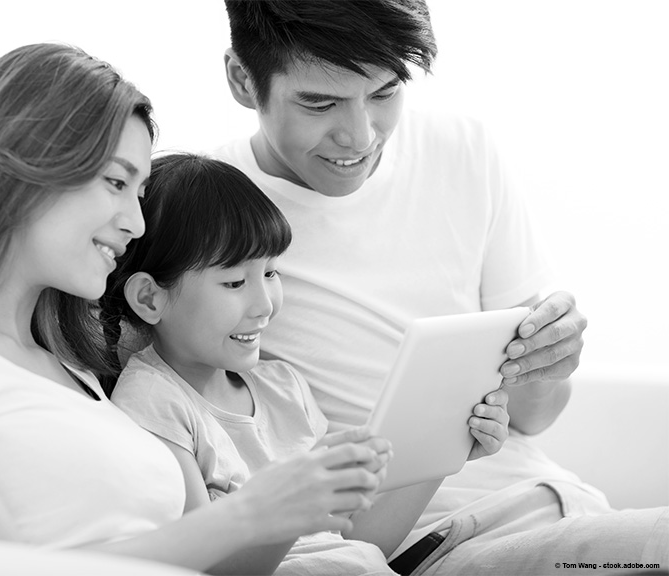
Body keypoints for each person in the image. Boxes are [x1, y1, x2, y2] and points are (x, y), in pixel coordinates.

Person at [0, 42, 392, 574]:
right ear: (23, 170)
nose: (137, 223)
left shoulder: (70, 362)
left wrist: (296, 506)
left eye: (139, 193)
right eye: (116, 183)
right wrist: (249, 513)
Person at [211, 1, 667, 575]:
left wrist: (548, 363)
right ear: (241, 80)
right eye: (319, 102)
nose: (358, 135)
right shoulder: (206, 220)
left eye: (384, 93)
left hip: (565, 503)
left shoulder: (460, 148)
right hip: (431, 542)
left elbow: (534, 417)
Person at [98, 152, 512, 575]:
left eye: (272, 273)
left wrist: (445, 446)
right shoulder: (155, 403)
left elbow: (355, 543)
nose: (264, 305)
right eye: (235, 282)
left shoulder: (284, 387)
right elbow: (204, 568)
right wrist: (293, 506)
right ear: (150, 298)